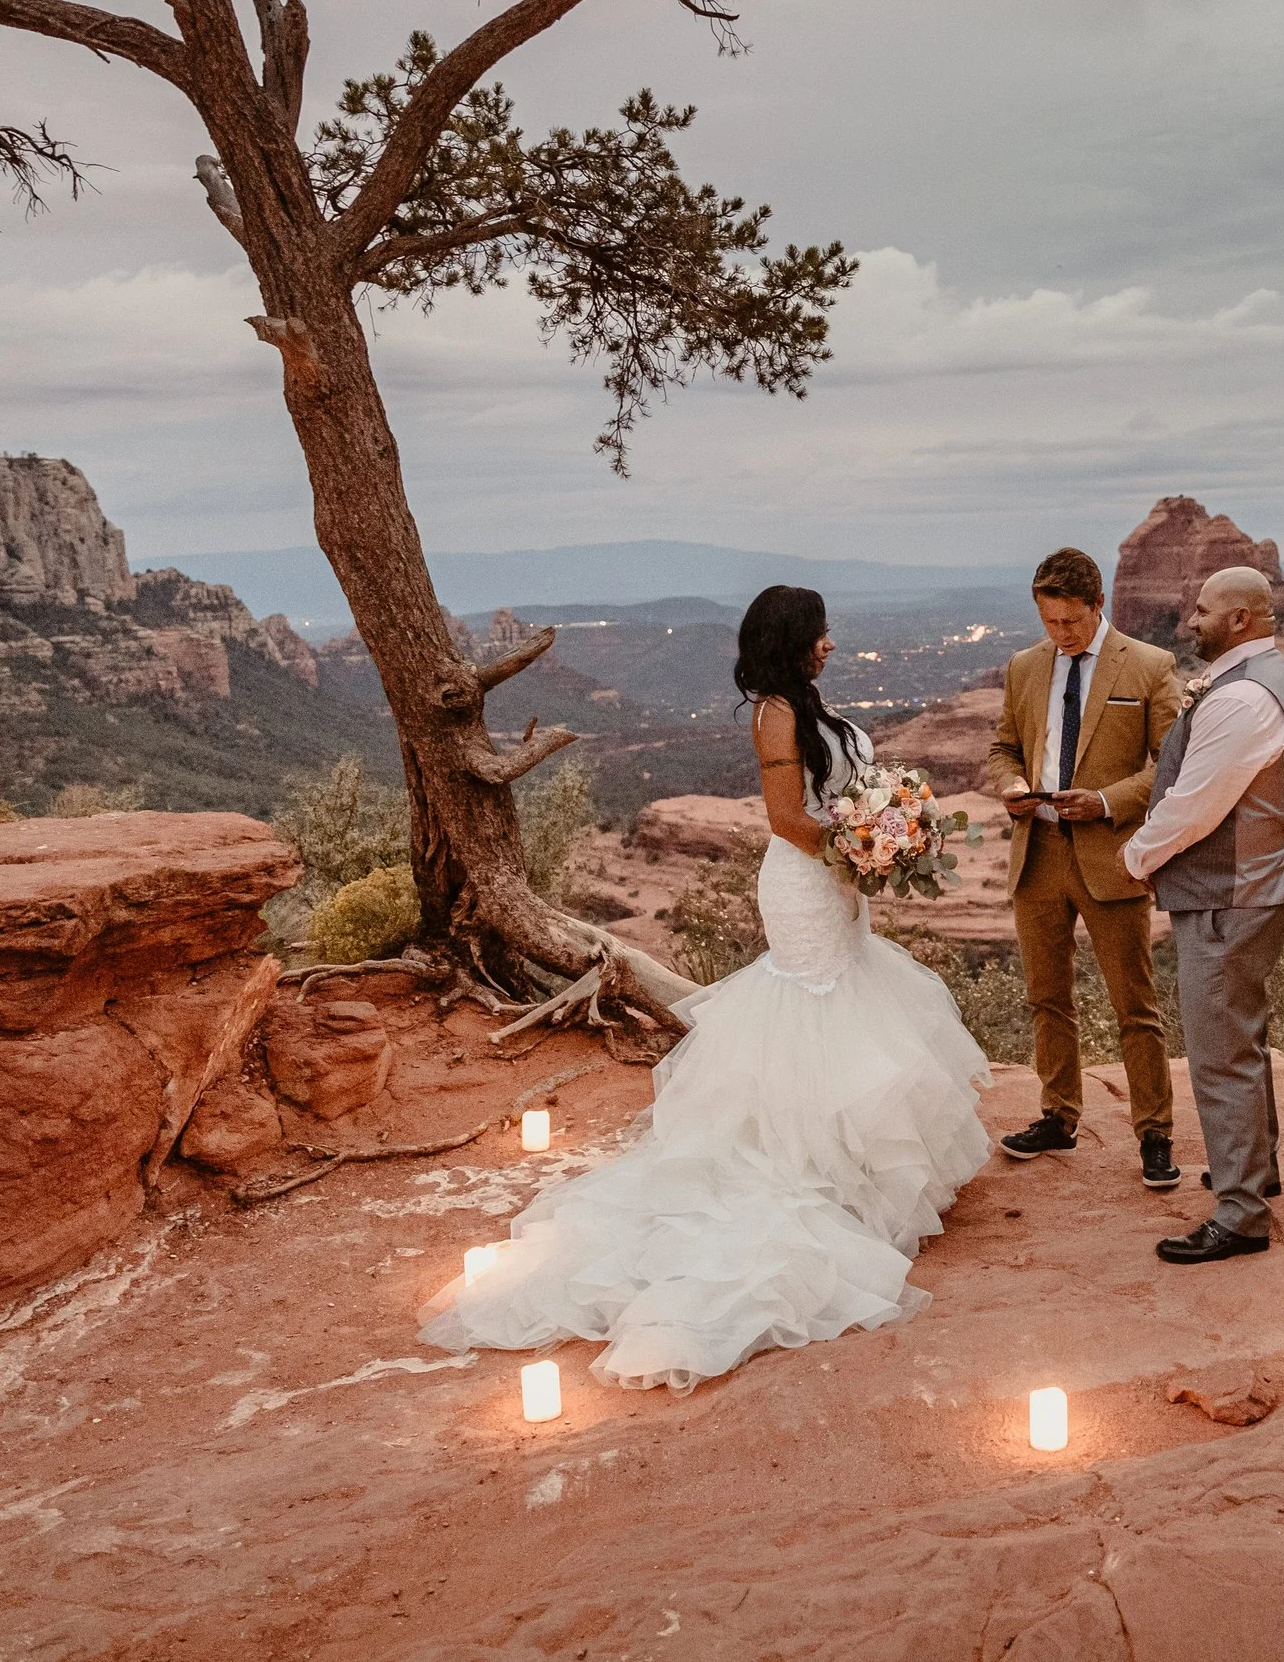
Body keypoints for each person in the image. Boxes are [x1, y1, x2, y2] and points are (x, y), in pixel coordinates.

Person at [418, 585, 991, 1392]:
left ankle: (858, 1177)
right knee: (816, 1007)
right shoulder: (774, 713)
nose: (829, 641)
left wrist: (889, 833)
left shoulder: (807, 702)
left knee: (853, 998)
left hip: (837, 888)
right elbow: (790, 820)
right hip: (805, 886)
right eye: (818, 632)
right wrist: (866, 843)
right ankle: (824, 1180)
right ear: (791, 639)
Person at [985, 548, 1185, 1188]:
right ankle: (1057, 1116)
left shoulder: (1151, 666)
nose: (1061, 634)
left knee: (1135, 1005)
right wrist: (1011, 783)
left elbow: (1170, 766)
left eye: (1072, 622)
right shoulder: (1024, 667)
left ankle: (1155, 1134)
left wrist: (1104, 802)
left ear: (1100, 606)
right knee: (1047, 997)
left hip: (1111, 857)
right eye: (1050, 622)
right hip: (1038, 852)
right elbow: (1003, 747)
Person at [1121, 566, 1284, 1264]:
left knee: (1221, 1052)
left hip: (1228, 895)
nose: (1188, 619)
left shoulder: (1241, 700)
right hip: (1254, 885)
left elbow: (1194, 804)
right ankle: (1257, 1170)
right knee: (1242, 1037)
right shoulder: (1259, 677)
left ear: (1239, 620)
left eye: (1201, 610)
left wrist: (1136, 858)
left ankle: (1239, 1212)